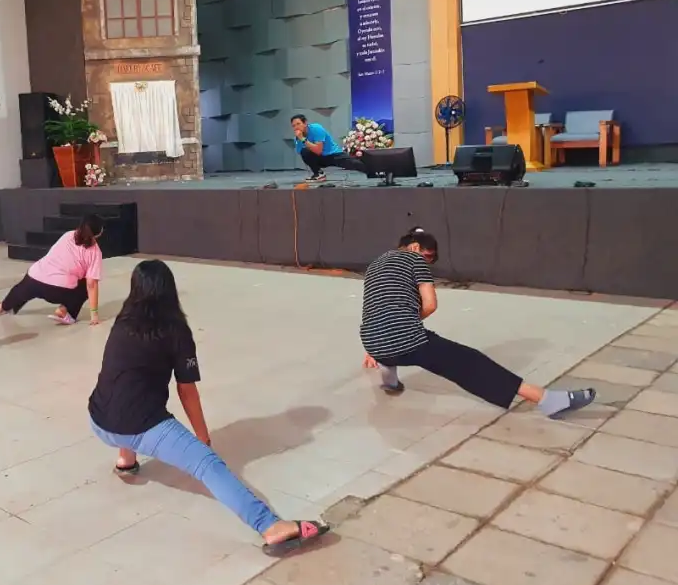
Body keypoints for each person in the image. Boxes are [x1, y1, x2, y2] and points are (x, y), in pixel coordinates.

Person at [88, 259, 329, 557]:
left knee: (127, 393)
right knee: (207, 465)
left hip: (97, 421)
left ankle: (125, 460)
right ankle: (270, 527)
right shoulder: (176, 331)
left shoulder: (123, 320)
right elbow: (186, 389)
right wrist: (203, 438)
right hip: (139, 427)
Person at [360, 227, 597, 418]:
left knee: (391, 347)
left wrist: (374, 347)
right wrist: (407, 320)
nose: (428, 261)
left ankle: (389, 381)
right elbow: (430, 304)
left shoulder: (375, 264)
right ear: (413, 247)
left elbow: (375, 307)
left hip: (371, 339)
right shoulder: (414, 260)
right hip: (402, 337)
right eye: (427, 255)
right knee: (469, 362)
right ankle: (548, 400)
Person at [0, 214, 103, 326]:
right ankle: (64, 311)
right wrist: (94, 315)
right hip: (58, 290)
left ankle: (2, 307)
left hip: (34, 278)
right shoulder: (94, 251)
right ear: (99, 232)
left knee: (21, 290)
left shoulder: (68, 235)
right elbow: (91, 284)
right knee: (84, 286)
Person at [291, 114, 363, 182]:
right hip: (320, 158)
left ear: (305, 123)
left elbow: (318, 150)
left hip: (333, 154)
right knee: (304, 152)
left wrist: (303, 139)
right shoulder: (297, 139)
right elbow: (302, 153)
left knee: (354, 163)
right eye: (293, 126)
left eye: (298, 124)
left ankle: (372, 171)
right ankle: (318, 173)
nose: (296, 127)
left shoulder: (316, 128)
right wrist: (300, 139)